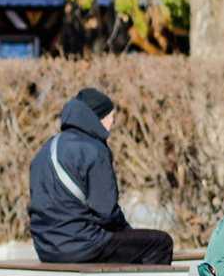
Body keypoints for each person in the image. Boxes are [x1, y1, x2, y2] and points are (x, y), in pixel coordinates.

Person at [27, 87, 173, 265]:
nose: (113, 124)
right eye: (113, 117)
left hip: (46, 248)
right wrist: (128, 232)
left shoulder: (47, 147)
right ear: (99, 118)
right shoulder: (93, 149)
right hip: (81, 246)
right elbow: (107, 214)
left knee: (130, 244)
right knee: (160, 243)